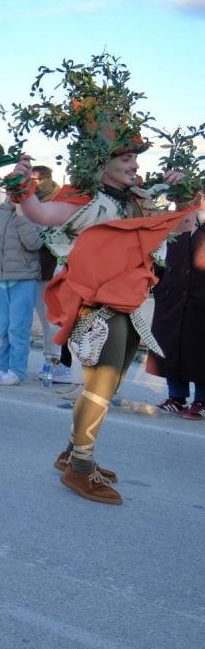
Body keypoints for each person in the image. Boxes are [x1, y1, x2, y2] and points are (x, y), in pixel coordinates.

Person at [12, 150, 186, 505]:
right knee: (101, 386)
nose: (135, 165)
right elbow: (40, 213)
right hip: (96, 304)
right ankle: (80, 468)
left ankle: (72, 453)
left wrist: (182, 193)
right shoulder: (87, 200)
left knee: (110, 383)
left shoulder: (137, 200)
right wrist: (22, 186)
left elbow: (179, 227)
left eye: (135, 159)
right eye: (126, 159)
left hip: (129, 300)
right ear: (102, 163)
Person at [146, 196, 205, 419]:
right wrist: (157, 283)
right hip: (172, 295)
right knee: (170, 345)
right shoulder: (177, 223)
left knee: (199, 349)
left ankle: (202, 400)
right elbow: (158, 256)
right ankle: (176, 397)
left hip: (200, 296)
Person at [0, 198, 43, 385]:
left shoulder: (34, 214)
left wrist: (21, 213)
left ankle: (17, 370)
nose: (12, 194)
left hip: (24, 278)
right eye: (10, 189)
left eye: (18, 190)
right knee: (1, 327)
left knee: (18, 327)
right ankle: (1, 368)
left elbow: (34, 243)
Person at [30, 167, 71, 383]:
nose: (32, 183)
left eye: (35, 180)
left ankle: (53, 363)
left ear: (45, 179)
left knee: (51, 321)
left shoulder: (58, 201)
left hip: (50, 270)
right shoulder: (29, 201)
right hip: (29, 270)